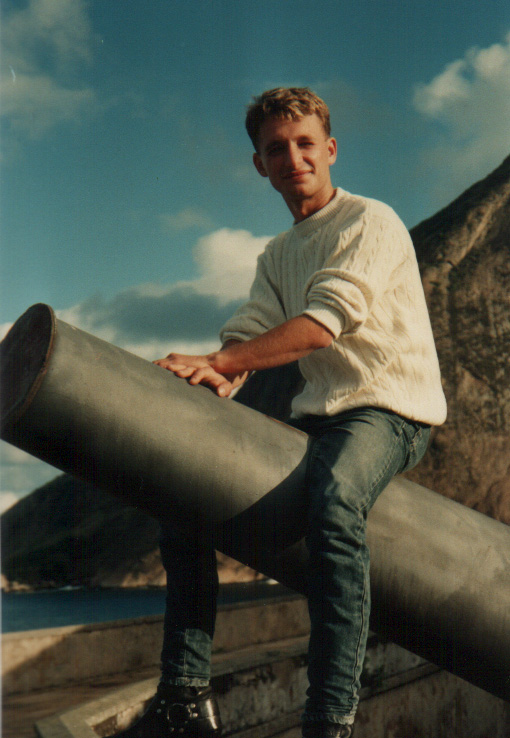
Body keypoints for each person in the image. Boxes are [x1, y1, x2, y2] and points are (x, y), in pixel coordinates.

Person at [109, 87, 447, 738]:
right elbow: (249, 334)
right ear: (259, 165)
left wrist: (226, 360)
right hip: (321, 418)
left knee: (336, 501)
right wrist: (207, 373)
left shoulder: (370, 221)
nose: (293, 158)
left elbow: (320, 327)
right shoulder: (277, 255)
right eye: (276, 149)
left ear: (330, 149)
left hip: (390, 412)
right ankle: (183, 697)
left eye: (304, 143)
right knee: (186, 501)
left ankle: (330, 719)